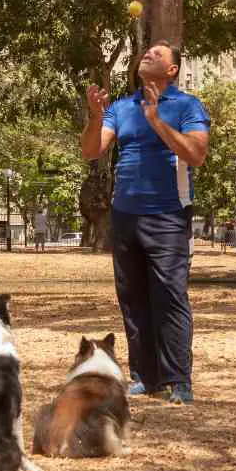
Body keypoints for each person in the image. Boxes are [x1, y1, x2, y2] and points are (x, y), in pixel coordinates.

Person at [79, 41, 210, 405]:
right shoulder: (120, 107)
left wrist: (156, 122)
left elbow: (196, 155)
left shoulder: (187, 106)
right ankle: (144, 376)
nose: (147, 55)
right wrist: (94, 116)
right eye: (146, 52)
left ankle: (178, 379)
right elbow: (91, 150)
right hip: (124, 216)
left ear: (172, 70)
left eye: (157, 54)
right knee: (133, 298)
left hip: (168, 214)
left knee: (169, 297)